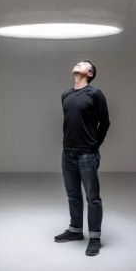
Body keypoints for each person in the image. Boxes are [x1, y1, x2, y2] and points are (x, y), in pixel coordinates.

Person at [54, 60, 111, 256]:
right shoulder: (66, 95)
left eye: (83, 64)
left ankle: (95, 237)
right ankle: (75, 230)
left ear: (90, 73)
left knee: (92, 198)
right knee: (73, 195)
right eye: (77, 63)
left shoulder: (95, 94)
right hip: (67, 153)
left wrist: (94, 145)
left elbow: (105, 122)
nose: (78, 64)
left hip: (87, 154)